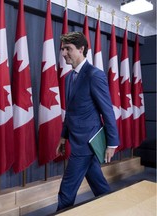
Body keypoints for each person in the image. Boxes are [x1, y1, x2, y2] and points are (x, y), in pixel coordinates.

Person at [56, 32, 119, 211]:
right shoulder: (69, 78)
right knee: (99, 186)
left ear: (81, 49)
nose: (63, 53)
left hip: (87, 143)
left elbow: (107, 111)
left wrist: (112, 142)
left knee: (66, 191)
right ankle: (116, 209)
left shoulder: (94, 75)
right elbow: (71, 112)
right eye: (62, 49)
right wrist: (63, 136)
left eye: (68, 49)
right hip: (76, 140)